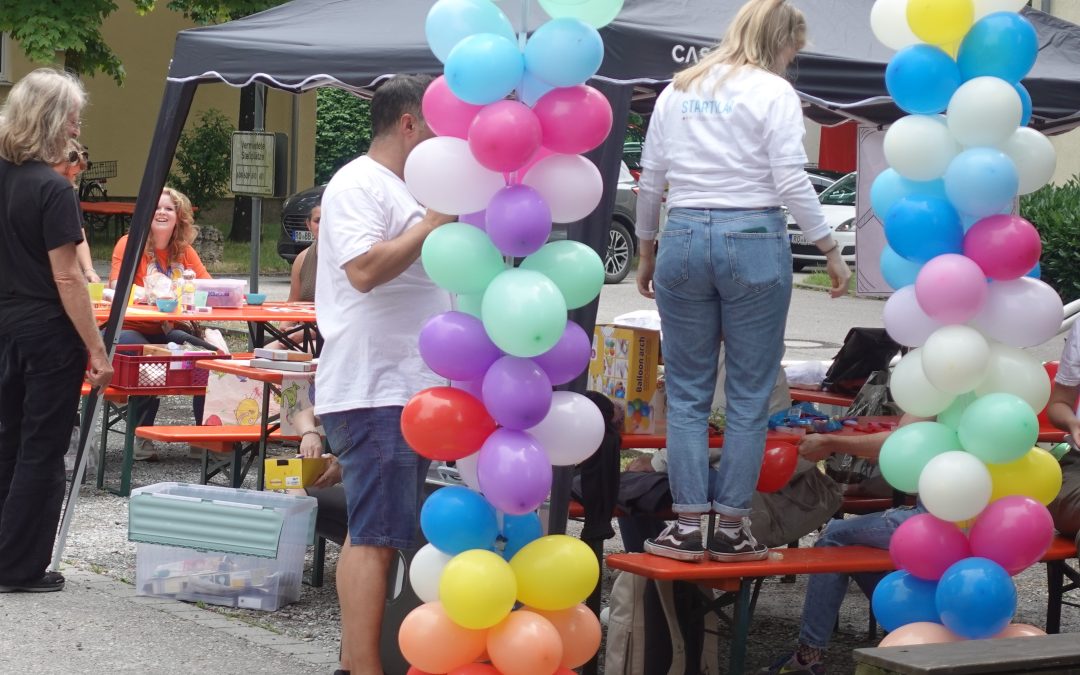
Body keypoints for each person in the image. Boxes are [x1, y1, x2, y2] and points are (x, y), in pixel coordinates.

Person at [635, 0, 851, 564]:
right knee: (750, 395)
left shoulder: (678, 88)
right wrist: (829, 247)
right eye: (792, 50)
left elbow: (652, 178)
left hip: (682, 231)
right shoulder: (774, 91)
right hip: (752, 234)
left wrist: (646, 248)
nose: (791, 61)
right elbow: (790, 178)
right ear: (782, 42)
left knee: (686, 393)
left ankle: (685, 525)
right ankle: (731, 526)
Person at [313, 74, 453, 675]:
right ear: (408, 123)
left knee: (384, 529)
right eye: (441, 127)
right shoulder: (358, 183)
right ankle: (362, 668)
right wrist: (430, 224)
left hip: (411, 386)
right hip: (375, 386)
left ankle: (357, 664)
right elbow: (364, 270)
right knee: (375, 533)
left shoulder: (413, 188)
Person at [0, 68, 113, 593]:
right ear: (52, 118)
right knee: (41, 448)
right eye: (72, 113)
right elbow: (68, 276)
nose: (77, 123)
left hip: (4, 323)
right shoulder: (53, 188)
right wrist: (97, 347)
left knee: (6, 441)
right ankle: (19, 565)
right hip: (46, 328)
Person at [762, 418, 922, 675]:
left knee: (833, 536)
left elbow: (899, 440)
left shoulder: (938, 389)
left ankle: (808, 656)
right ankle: (904, 627)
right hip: (981, 522)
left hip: (931, 521)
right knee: (853, 544)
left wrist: (831, 442)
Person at [108, 187, 216, 461]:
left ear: (179, 216)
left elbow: (208, 288)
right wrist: (152, 295)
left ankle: (204, 436)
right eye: (156, 207)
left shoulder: (185, 251)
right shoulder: (129, 243)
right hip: (131, 328)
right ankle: (141, 435)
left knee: (212, 359)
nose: (162, 213)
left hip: (169, 329)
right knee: (145, 359)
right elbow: (115, 288)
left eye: (168, 208)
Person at [51, 139, 100, 283]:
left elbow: (80, 237)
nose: (70, 182)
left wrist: (89, 270)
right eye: (65, 175)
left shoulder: (69, 195)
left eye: (75, 176)